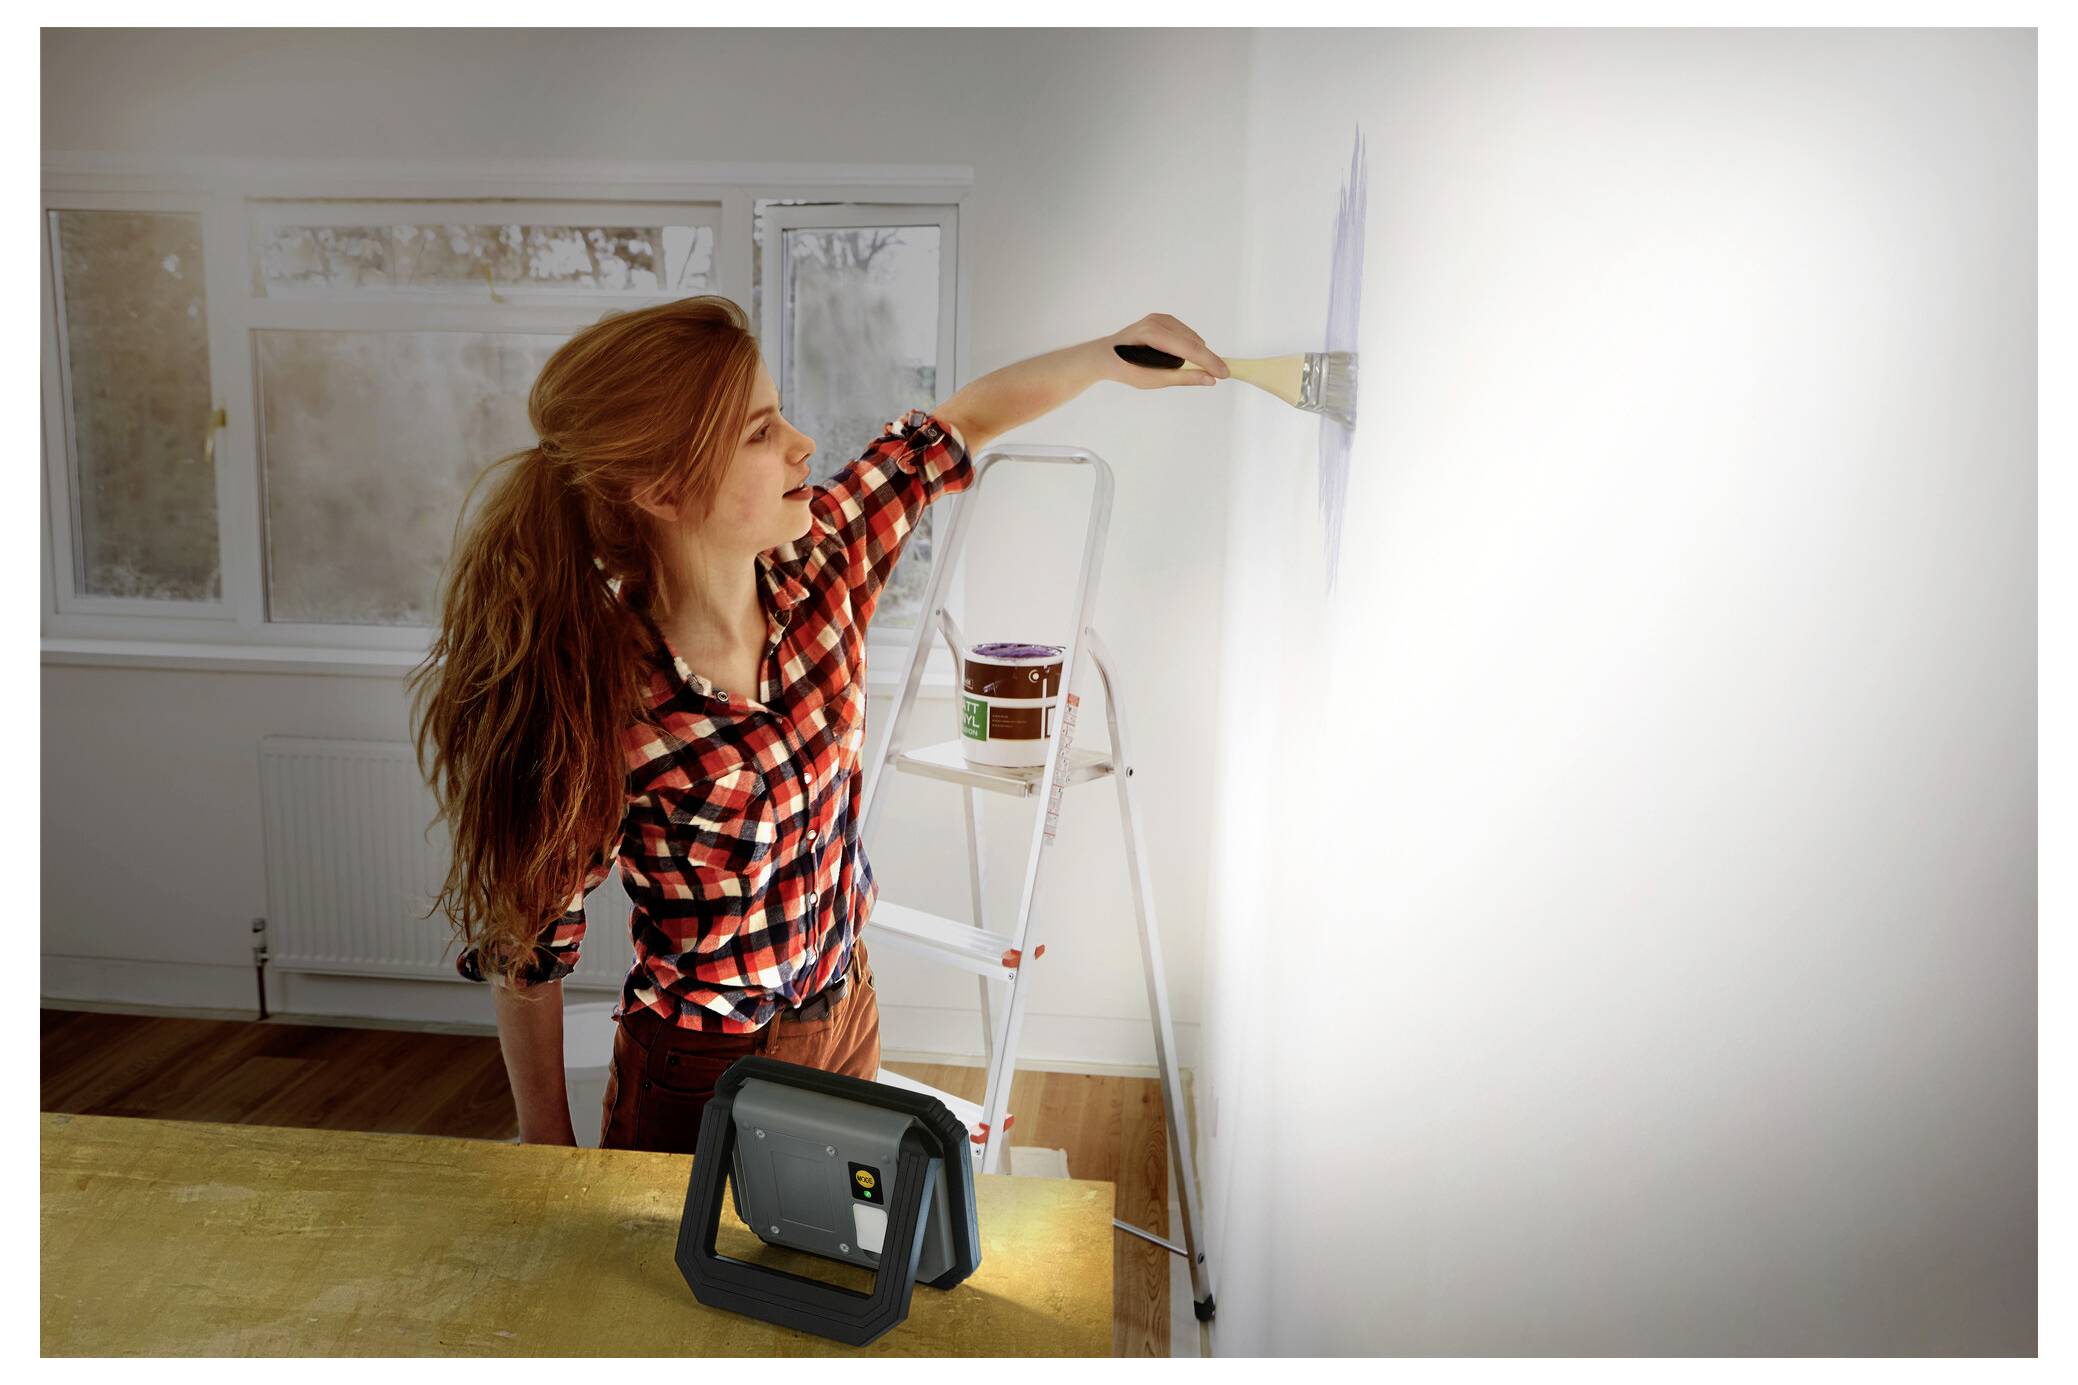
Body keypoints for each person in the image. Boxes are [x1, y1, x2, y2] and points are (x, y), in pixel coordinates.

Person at [408, 294, 1227, 1148]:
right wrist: (547, 1147)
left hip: (846, 1014)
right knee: (678, 1287)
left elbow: (958, 425)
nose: (802, 442)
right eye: (760, 432)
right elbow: (528, 950)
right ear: (663, 488)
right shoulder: (607, 696)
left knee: (834, 1276)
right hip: (702, 1072)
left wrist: (1107, 351)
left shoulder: (824, 563)